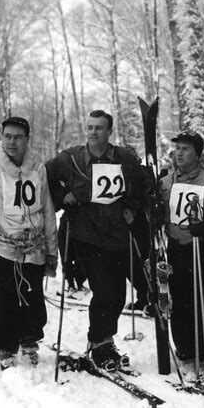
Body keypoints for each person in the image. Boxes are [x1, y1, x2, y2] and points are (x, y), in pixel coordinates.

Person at [46, 109, 147, 371]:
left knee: (118, 295)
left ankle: (106, 340)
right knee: (103, 292)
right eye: (90, 127)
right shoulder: (71, 158)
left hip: (118, 236)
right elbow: (45, 177)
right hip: (86, 236)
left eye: (99, 128)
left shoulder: (124, 158)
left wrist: (132, 207)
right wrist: (63, 197)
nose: (93, 133)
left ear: (109, 131)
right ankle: (98, 343)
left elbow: (141, 186)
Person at [0, 116, 58, 370]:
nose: (12, 142)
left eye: (18, 137)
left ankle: (29, 341)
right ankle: (4, 347)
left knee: (33, 299)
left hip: (34, 248)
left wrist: (52, 252)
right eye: (7, 136)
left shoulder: (38, 169)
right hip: (3, 249)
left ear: (27, 139)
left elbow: (47, 213)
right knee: (3, 302)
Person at [159, 130, 204, 381]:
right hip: (176, 249)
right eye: (177, 148)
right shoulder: (167, 182)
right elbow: (160, 215)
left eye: (185, 149)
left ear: (197, 154)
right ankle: (186, 351)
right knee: (178, 302)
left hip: (201, 250)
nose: (179, 153)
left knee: (203, 302)